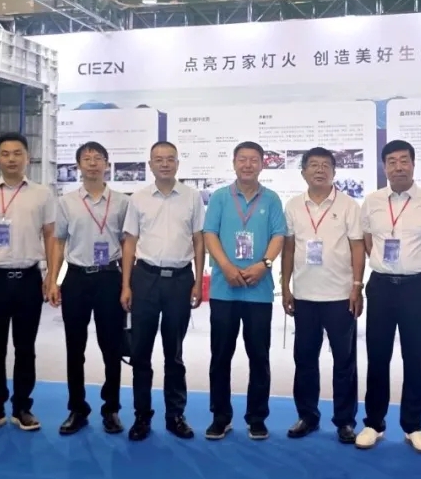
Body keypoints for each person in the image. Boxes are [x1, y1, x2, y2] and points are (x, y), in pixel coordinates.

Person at [356, 140, 421, 454]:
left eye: (404, 160)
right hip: (381, 286)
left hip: (416, 288)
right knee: (377, 356)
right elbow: (368, 240)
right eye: (392, 161)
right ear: (384, 167)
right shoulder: (372, 201)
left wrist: (417, 268)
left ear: (413, 164)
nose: (398, 167)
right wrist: (388, 266)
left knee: (414, 357)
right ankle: (374, 423)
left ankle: (413, 426)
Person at [0, 133, 56, 435]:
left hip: (29, 279)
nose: (12, 158)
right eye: (5, 153)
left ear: (28, 158)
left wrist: (51, 276)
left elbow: (51, 236)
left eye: (18, 153)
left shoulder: (42, 194)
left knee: (25, 348)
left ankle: (22, 408)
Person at [120, 141, 205, 441]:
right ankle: (142, 416)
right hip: (145, 279)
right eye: (159, 159)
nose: (165, 164)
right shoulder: (139, 199)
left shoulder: (192, 197)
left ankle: (175, 415)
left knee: (175, 354)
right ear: (150, 165)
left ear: (178, 164)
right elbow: (130, 242)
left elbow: (198, 240)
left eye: (170, 159)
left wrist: (198, 281)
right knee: (140, 353)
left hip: (180, 280)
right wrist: (126, 284)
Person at [202, 141, 287, 440]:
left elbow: (279, 236)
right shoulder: (220, 197)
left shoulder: (271, 199)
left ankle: (257, 418)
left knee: (259, 357)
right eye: (242, 159)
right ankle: (220, 416)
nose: (248, 165)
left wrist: (264, 264)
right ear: (234, 163)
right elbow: (209, 234)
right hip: (224, 289)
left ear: (262, 164)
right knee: (220, 357)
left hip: (258, 291)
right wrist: (225, 266)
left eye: (253, 160)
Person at [282, 147, 366, 444]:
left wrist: (357, 286)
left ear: (334, 171)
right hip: (305, 296)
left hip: (340, 295)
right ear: (303, 171)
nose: (319, 170)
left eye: (325, 165)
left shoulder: (348, 205)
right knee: (305, 359)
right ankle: (307, 416)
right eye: (313, 165)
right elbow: (288, 249)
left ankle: (345, 421)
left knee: (344, 362)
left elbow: (358, 246)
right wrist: (286, 286)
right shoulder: (294, 206)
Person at [47, 141, 130, 436]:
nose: (92, 163)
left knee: (112, 347)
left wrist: (127, 284)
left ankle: (111, 409)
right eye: (86, 158)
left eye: (98, 158)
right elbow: (58, 242)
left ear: (107, 164)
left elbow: (128, 244)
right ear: (78, 165)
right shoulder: (67, 202)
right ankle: (77, 409)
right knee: (75, 347)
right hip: (77, 278)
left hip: (109, 278)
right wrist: (53, 279)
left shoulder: (122, 202)